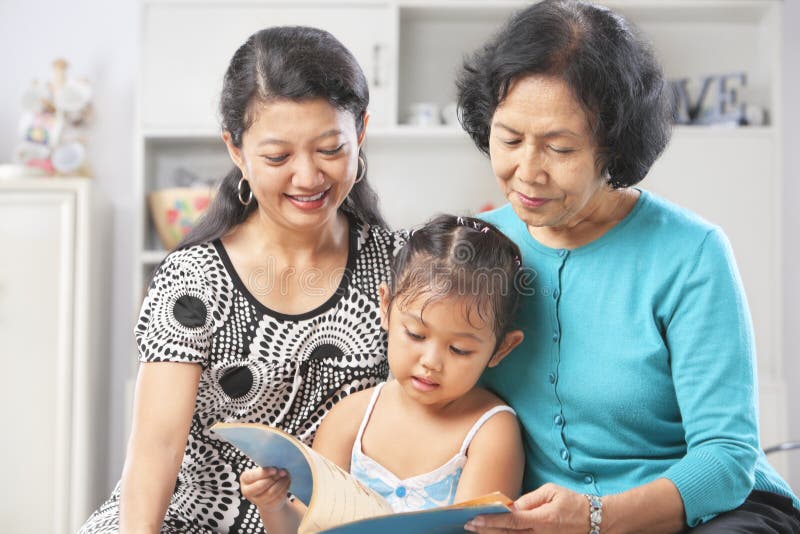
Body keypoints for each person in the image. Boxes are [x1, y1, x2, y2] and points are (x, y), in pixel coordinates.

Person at [453, 1, 800, 533]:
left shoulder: (691, 253)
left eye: (559, 147)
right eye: (510, 139)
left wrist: (598, 518)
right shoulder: (476, 246)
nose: (527, 172)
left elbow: (727, 456)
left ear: (613, 145)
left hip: (710, 512)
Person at [80, 26, 405, 534]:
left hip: (325, 524)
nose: (307, 177)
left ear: (360, 132)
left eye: (329, 149)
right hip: (188, 518)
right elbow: (157, 449)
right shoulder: (195, 279)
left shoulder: (401, 267)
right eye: (278, 157)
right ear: (236, 149)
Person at [239, 215, 527, 533]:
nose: (431, 362)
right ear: (386, 307)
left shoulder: (490, 431)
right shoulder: (351, 417)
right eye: (416, 335)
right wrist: (274, 504)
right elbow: (307, 527)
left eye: (459, 349)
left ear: (501, 349)